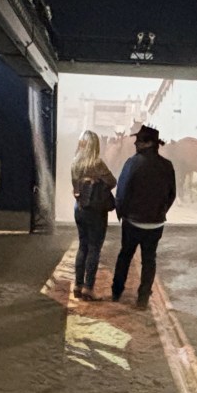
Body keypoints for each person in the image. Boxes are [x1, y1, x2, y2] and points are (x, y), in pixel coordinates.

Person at [110, 125, 177, 308]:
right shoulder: (167, 166)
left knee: (125, 256)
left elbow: (122, 192)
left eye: (139, 141)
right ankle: (142, 299)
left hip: (132, 222)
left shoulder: (132, 163)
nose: (135, 143)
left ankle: (116, 292)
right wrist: (161, 212)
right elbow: (172, 194)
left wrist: (121, 213)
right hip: (156, 224)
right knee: (149, 260)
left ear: (149, 143)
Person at [71, 130, 117, 301]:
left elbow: (75, 187)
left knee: (82, 246)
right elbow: (112, 181)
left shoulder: (75, 162)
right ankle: (88, 288)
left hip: (79, 208)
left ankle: (77, 285)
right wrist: (97, 185)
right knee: (94, 248)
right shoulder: (97, 163)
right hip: (95, 211)